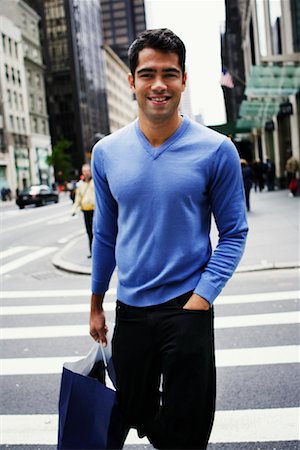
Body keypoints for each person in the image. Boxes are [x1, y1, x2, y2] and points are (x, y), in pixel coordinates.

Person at [89, 28, 248, 450]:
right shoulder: (106, 152)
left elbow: (234, 232)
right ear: (132, 82)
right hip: (132, 310)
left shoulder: (216, 150)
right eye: (147, 74)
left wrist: (202, 299)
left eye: (169, 73)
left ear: (183, 79)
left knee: (190, 427)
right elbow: (105, 235)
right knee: (133, 409)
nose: (158, 84)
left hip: (187, 307)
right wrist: (95, 303)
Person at [73, 164, 95, 256]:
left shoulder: (94, 182)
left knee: (97, 231)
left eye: (88, 171)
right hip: (86, 210)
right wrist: (74, 209)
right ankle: (92, 252)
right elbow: (78, 197)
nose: (86, 173)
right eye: (84, 171)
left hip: (95, 210)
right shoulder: (80, 184)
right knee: (89, 232)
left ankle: (98, 251)